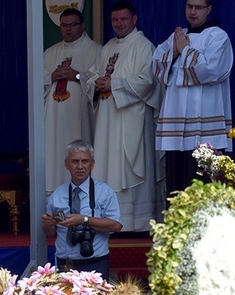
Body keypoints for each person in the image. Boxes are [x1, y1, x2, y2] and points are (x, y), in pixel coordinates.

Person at [86, 0, 163, 232]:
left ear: (134, 19)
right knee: (107, 164)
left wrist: (114, 83)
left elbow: (148, 82)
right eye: (115, 20)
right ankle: (108, 219)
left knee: (130, 167)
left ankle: (135, 222)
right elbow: (92, 75)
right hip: (107, 120)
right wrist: (95, 84)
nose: (118, 24)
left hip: (131, 120)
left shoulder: (144, 46)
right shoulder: (107, 47)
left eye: (123, 19)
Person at [153, 0, 233, 196]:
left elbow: (211, 70)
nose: (193, 11)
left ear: (208, 9)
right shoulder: (178, 36)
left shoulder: (218, 37)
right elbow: (156, 65)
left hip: (206, 127)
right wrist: (174, 49)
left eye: (198, 7)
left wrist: (185, 51)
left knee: (202, 183)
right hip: (176, 126)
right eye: (189, 6)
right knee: (176, 185)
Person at [41, 139, 122, 278]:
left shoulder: (105, 192)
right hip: (65, 264)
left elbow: (116, 225)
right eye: (74, 161)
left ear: (92, 164)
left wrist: (84, 220)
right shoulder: (57, 194)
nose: (80, 166)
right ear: (66, 164)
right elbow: (50, 233)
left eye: (85, 161)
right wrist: (48, 224)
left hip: (94, 264)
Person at [44, 8, 101, 193]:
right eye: (64, 25)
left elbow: (98, 84)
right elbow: (36, 85)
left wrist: (77, 76)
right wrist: (52, 76)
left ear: (82, 26)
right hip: (53, 124)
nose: (68, 29)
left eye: (73, 25)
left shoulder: (96, 51)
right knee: (54, 158)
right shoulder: (50, 53)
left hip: (80, 117)